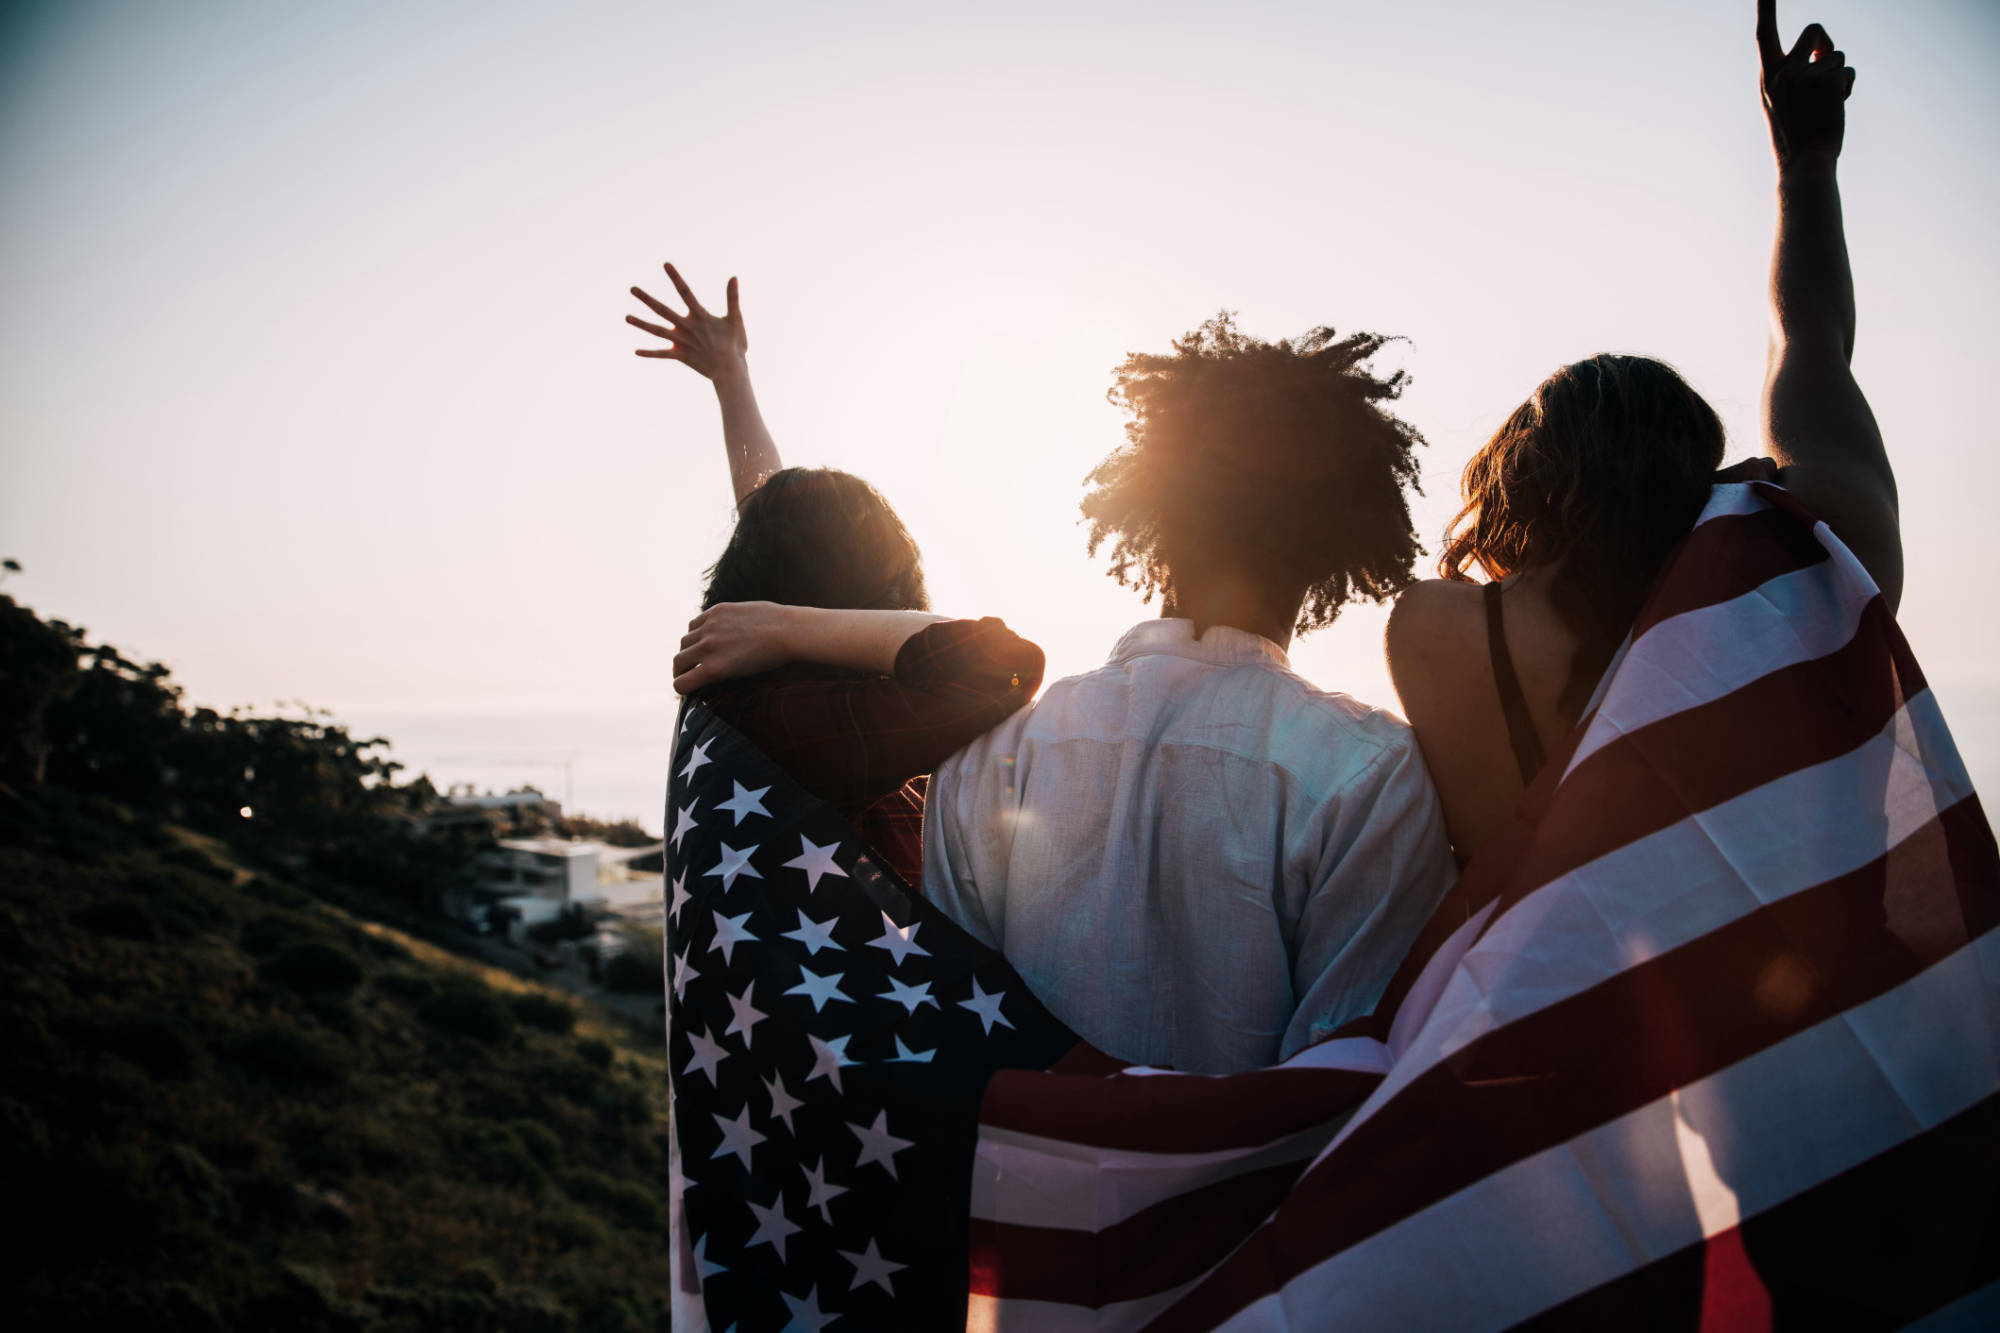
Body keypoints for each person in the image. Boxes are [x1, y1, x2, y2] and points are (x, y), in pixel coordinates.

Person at [693, 316, 1457, 1073]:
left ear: (1151, 517)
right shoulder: (1372, 777)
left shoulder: (993, 755)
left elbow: (964, 1041)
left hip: (998, 1193)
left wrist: (734, 385)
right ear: (1337, 549)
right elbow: (1348, 1088)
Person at [1385, 0, 1894, 862]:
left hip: (1567, 999)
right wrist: (1806, 163)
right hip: (1856, 994)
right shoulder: (1822, 554)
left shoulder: (1447, 637)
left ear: (1529, 492)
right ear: (1695, 463)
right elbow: (1815, 342)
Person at [628, 263, 1045, 887]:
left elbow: (771, 523)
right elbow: (1005, 662)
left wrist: (731, 376)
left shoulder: (751, 702)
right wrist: (790, 629)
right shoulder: (802, 718)